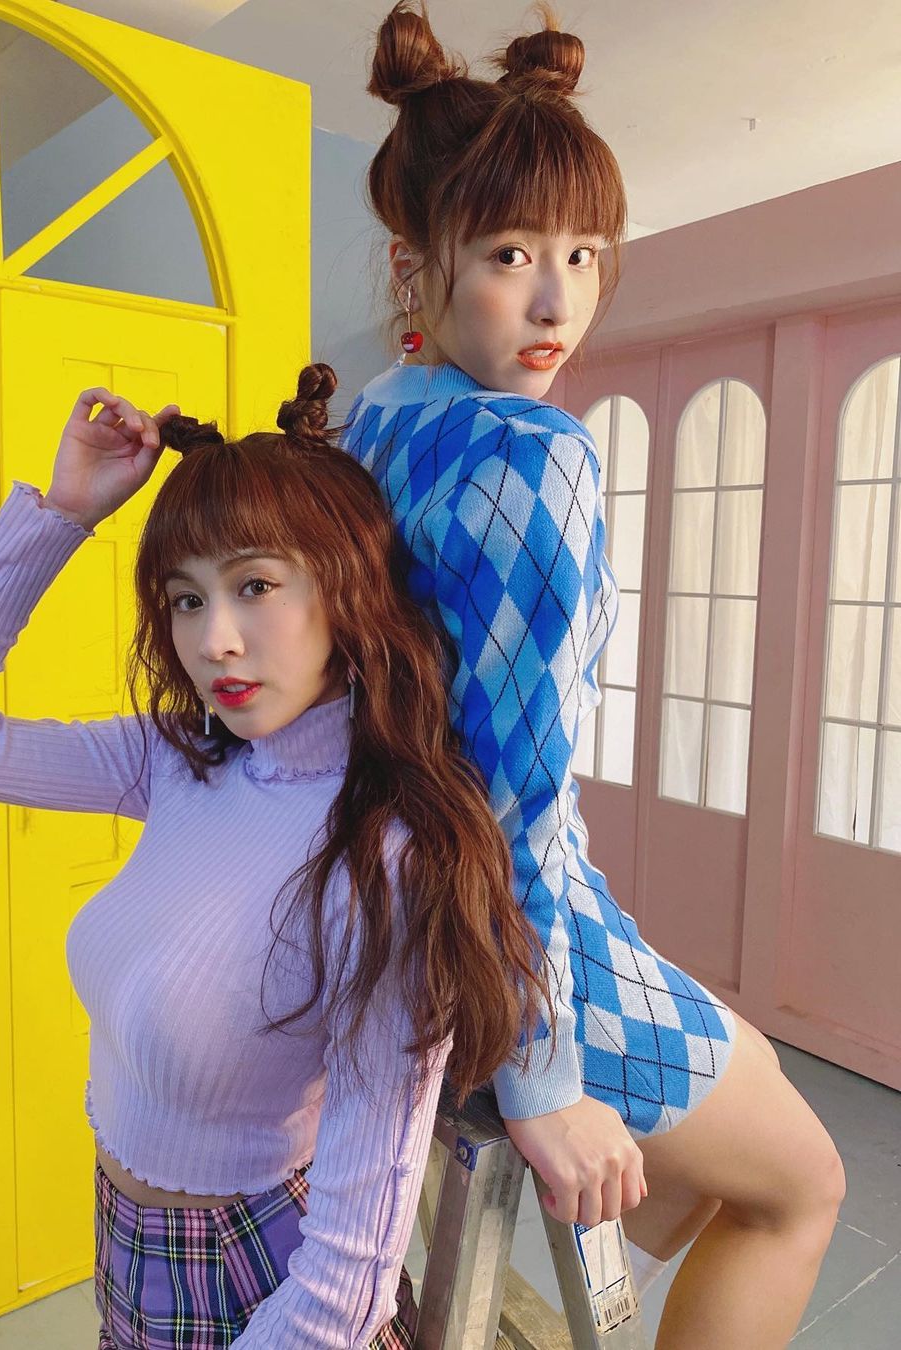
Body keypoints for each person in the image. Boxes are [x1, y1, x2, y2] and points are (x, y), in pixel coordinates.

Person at [338, 4, 846, 1346]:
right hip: (502, 939)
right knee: (807, 1184)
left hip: (395, 909)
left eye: (583, 254)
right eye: (511, 255)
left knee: (751, 1071)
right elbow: (509, 801)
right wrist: (540, 1070)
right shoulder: (533, 454)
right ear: (417, 265)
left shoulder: (376, 422)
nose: (559, 301)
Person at [0, 364, 547, 1349]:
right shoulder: (183, 760)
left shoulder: (385, 856)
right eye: (186, 599)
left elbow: (350, 1275)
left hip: (260, 1278)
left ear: (347, 594)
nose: (214, 640)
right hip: (128, 1244)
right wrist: (64, 515)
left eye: (255, 586)